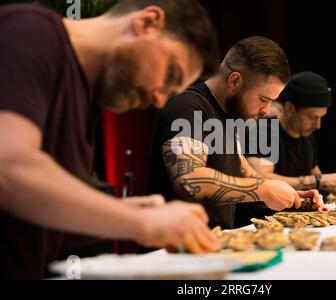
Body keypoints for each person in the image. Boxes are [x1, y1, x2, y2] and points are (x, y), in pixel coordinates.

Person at [0, 0, 220, 279]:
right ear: (148, 22)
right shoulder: (30, 29)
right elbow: (9, 168)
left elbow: (35, 216)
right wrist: (141, 221)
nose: (159, 100)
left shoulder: (85, 96)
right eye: (170, 74)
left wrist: (119, 211)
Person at [147, 37, 326, 230]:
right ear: (235, 80)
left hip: (212, 247)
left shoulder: (231, 116)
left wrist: (292, 197)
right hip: (173, 254)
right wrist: (263, 190)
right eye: (263, 99)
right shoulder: (187, 107)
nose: (266, 110)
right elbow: (190, 179)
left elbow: (243, 172)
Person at [246, 71, 336, 194]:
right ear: (290, 108)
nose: (318, 126)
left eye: (321, 117)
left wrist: (332, 185)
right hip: (264, 213)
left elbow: (317, 176)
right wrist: (316, 181)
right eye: (312, 117)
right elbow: (260, 178)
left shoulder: (307, 136)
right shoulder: (265, 133)